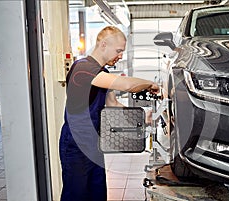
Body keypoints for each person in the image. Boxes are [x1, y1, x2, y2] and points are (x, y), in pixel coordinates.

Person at [59, 25, 160, 201]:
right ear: (103, 45)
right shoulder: (82, 68)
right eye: (119, 50)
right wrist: (150, 84)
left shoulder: (102, 73)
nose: (120, 56)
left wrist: (143, 118)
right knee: (76, 195)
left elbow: (112, 104)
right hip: (75, 144)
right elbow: (126, 85)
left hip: (94, 142)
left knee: (97, 193)